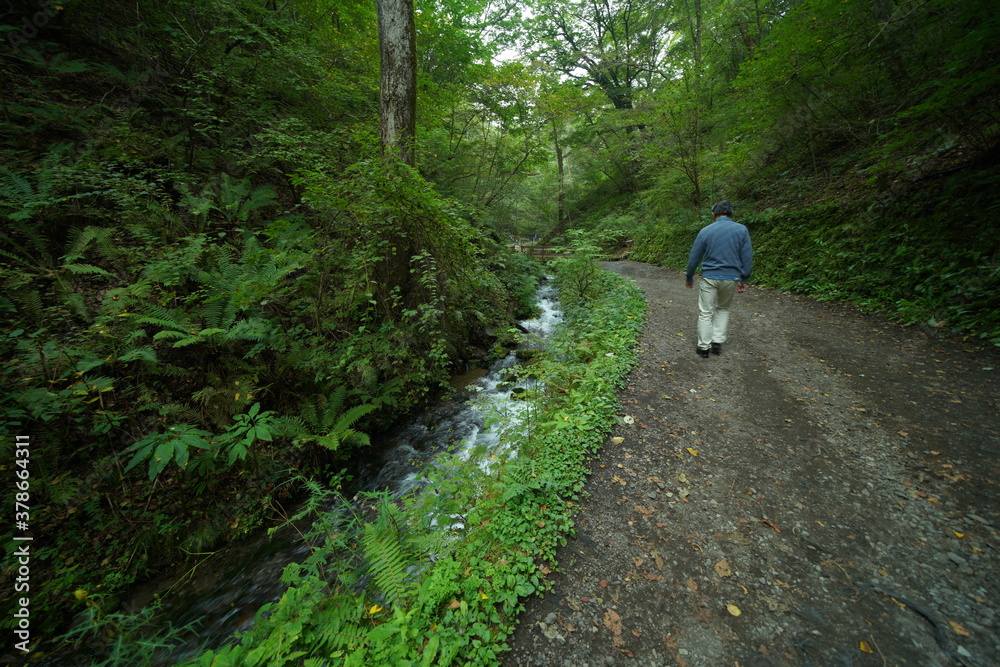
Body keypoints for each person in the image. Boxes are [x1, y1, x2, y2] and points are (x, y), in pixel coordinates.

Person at [685, 200, 753, 358]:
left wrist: (689, 276)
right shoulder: (742, 230)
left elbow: (694, 256)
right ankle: (717, 342)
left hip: (709, 276)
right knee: (723, 308)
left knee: (705, 312)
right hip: (731, 277)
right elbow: (747, 256)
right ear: (731, 214)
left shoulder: (706, 231)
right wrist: (744, 279)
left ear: (713, 214)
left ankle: (703, 348)